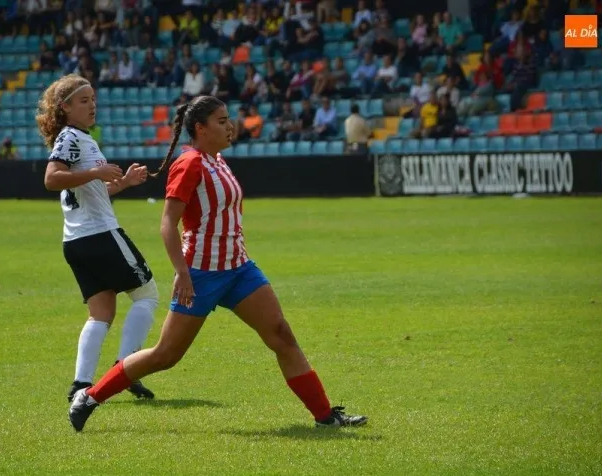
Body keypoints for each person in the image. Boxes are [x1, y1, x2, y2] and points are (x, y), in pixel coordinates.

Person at [68, 95, 368, 432]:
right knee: (166, 355)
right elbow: (168, 223)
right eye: (222, 121)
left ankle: (325, 416)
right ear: (201, 128)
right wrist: (182, 273)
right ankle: (89, 397)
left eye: (229, 119)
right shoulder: (190, 163)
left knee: (282, 335)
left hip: (239, 269)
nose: (230, 126)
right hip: (201, 275)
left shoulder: (218, 160)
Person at [36, 74, 159, 403]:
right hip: (100, 234)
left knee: (101, 313)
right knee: (147, 294)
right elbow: (52, 178)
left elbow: (87, 191)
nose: (92, 105)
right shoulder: (72, 137)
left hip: (77, 241)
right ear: (65, 107)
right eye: (84, 100)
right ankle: (125, 369)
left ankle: (80, 384)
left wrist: (124, 183)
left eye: (93, 99)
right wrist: (97, 171)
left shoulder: (76, 138)